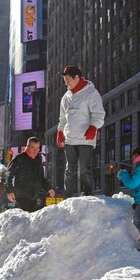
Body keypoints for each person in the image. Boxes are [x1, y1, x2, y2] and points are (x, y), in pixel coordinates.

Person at [56, 66, 106, 197]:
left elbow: (99, 114)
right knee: (69, 170)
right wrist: (60, 132)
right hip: (70, 139)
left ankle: (88, 194)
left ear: (77, 77)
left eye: (68, 79)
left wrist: (93, 127)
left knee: (85, 169)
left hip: (85, 138)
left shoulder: (91, 93)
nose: (66, 82)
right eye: (64, 80)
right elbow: (62, 119)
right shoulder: (66, 97)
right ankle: (68, 195)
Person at [6, 137, 56, 212]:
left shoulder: (39, 159)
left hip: (35, 197)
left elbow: (41, 178)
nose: (35, 150)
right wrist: (9, 191)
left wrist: (48, 188)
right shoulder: (19, 159)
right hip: (21, 197)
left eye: (37, 148)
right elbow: (7, 175)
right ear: (27, 146)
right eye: (33, 147)